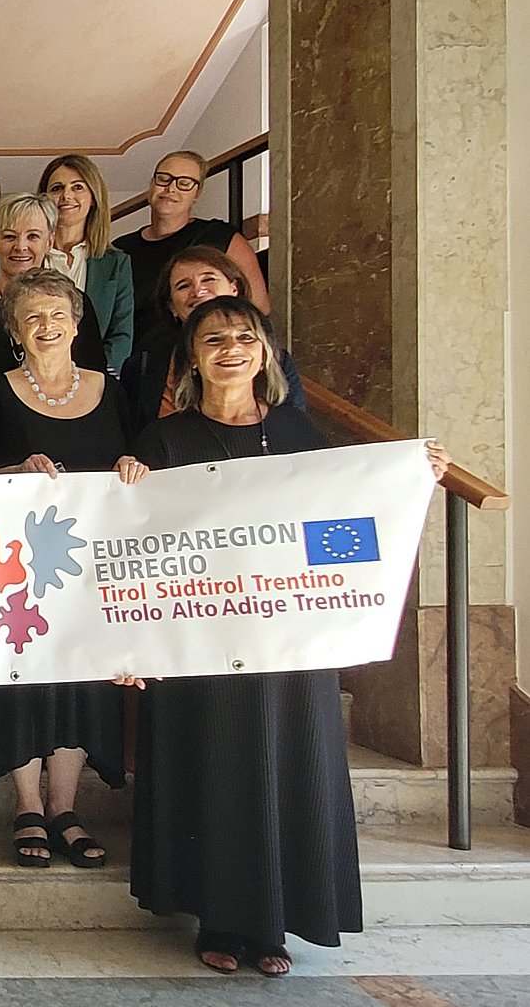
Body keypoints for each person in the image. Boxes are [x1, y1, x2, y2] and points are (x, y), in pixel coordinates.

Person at [119, 295, 451, 977]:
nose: (230, 348)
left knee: (282, 769)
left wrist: (414, 475)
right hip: (200, 643)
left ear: (264, 353)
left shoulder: (297, 432)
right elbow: (137, 544)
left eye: (244, 336)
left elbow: (342, 516)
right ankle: (217, 919)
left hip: (288, 639)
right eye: (214, 339)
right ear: (190, 358)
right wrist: (127, 484)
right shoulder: (163, 441)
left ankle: (272, 927)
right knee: (212, 767)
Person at [0, 269, 135, 873]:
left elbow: (136, 463)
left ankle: (65, 808)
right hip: (17, 569)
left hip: (89, 567)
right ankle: (26, 806)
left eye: (57, 315)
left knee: (79, 679)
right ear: (17, 330)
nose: (46, 326)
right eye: (32, 317)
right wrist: (12, 467)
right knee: (25, 679)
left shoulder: (112, 390)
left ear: (77, 323)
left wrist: (130, 464)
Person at [120, 245, 308, 426]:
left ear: (234, 289)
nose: (198, 291)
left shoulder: (276, 360)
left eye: (209, 279)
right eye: (184, 285)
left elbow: (293, 433)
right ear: (172, 307)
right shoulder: (141, 367)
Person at [113, 150, 271, 352]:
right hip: (140, 363)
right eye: (164, 179)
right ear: (152, 184)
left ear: (197, 194)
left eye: (184, 183)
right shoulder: (121, 248)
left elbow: (258, 306)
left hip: (206, 356)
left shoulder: (220, 237)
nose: (171, 188)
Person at [0, 193, 108, 382]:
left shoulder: (72, 303)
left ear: (49, 242)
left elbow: (94, 377)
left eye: (33, 236)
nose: (21, 246)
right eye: (9, 237)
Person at [40, 154, 135, 372]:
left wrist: (95, 377)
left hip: (96, 380)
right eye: (57, 188)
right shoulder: (28, 256)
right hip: (35, 376)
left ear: (93, 197)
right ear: (44, 198)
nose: (66, 195)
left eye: (78, 187)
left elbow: (121, 333)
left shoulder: (117, 263)